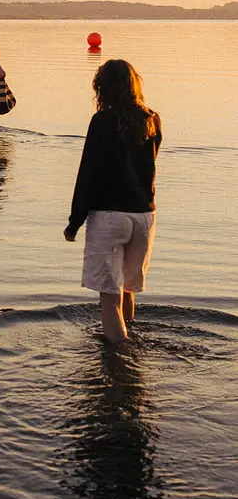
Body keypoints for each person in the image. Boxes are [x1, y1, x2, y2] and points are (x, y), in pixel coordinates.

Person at [64, 60, 162, 344]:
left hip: (109, 216)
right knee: (127, 289)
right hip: (144, 216)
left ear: (102, 88)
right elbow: (149, 165)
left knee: (109, 299)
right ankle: (130, 343)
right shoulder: (152, 119)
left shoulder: (103, 121)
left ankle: (120, 358)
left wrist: (74, 222)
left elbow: (88, 174)